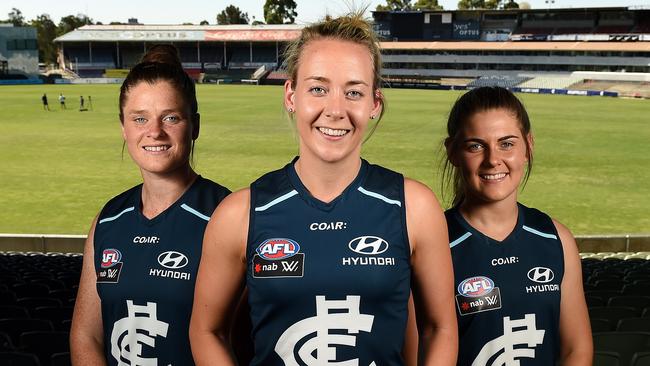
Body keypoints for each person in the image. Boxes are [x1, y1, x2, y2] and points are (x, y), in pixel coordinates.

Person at [190, 12, 457, 366]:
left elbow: (440, 329)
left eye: (354, 92)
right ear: (291, 95)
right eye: (318, 88)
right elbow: (206, 331)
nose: (335, 109)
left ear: (374, 104)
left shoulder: (415, 207)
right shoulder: (239, 214)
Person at [70, 45, 230, 366]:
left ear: (194, 125)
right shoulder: (108, 220)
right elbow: (86, 336)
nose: (154, 131)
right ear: (123, 127)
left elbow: (247, 338)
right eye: (140, 118)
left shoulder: (228, 214)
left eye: (170, 117)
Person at [441, 86, 592, 365]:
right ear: (453, 152)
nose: (493, 159)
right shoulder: (434, 244)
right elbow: (418, 352)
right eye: (476, 145)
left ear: (528, 147)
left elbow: (577, 351)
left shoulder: (555, 238)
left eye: (506, 143)